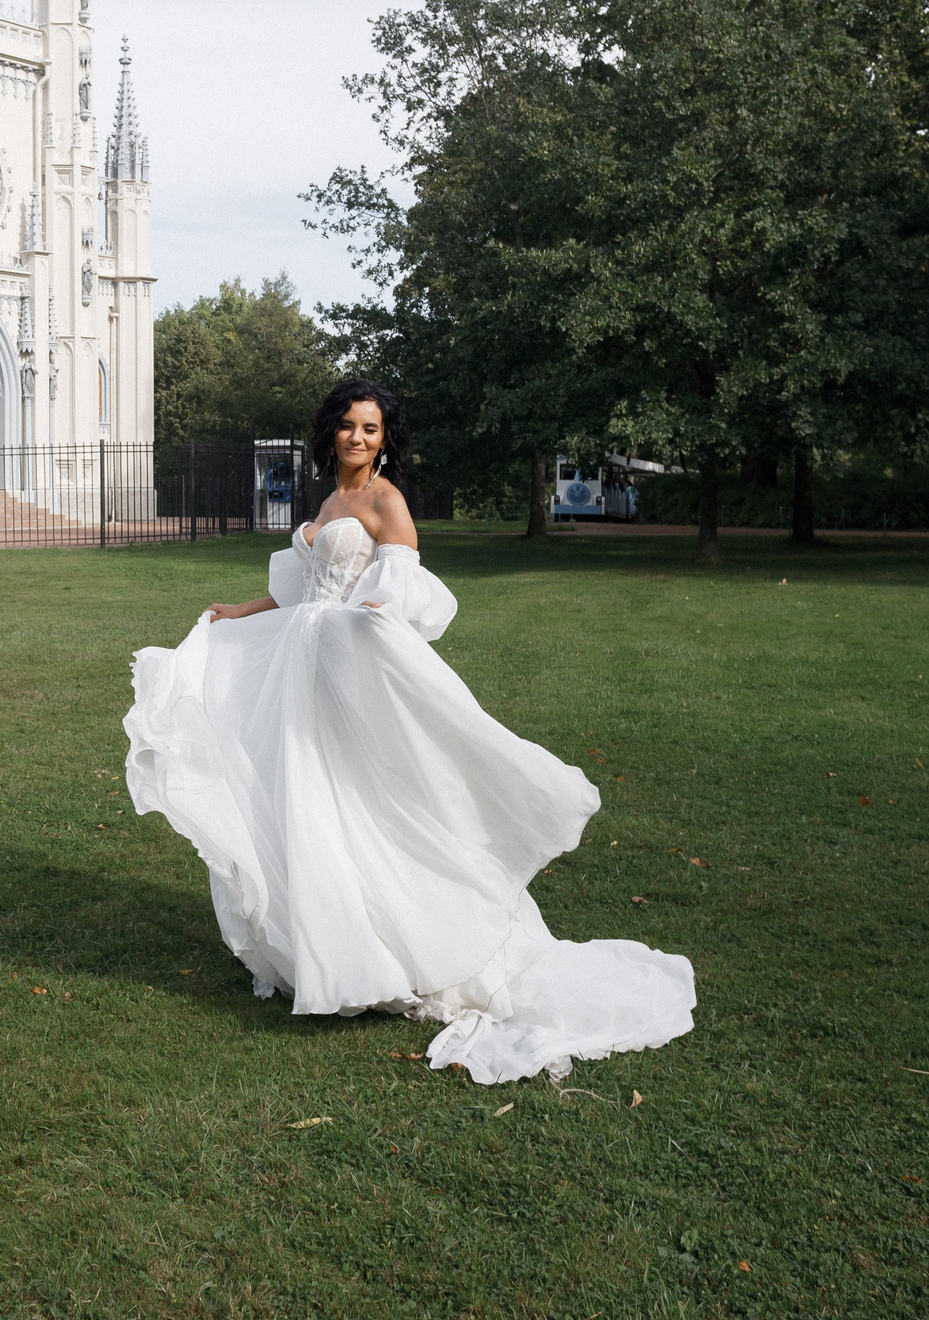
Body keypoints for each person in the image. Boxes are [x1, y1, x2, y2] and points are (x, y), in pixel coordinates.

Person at [123, 378, 695, 1084]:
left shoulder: (385, 500)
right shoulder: (330, 501)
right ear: (330, 431)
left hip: (340, 666)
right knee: (306, 800)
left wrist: (360, 623)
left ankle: (395, 945)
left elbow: (402, 594)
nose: (359, 438)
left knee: (355, 798)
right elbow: (300, 589)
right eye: (348, 426)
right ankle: (324, 944)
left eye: (371, 429)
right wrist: (240, 611)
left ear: (385, 439)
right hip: (297, 669)